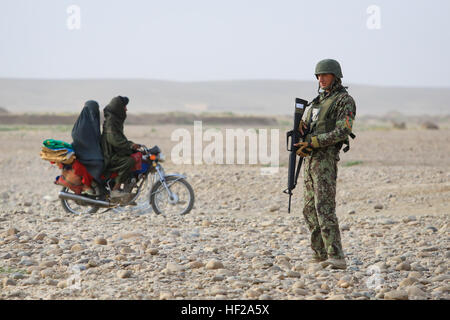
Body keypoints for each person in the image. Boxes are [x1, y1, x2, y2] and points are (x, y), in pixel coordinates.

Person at [294, 59, 356, 270]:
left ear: (335, 77)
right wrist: (302, 132)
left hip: (325, 161)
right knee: (309, 210)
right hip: (310, 160)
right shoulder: (315, 103)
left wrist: (315, 141)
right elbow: (310, 129)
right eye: (318, 76)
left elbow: (342, 131)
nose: (321, 79)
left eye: (325, 75)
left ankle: (336, 256)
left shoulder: (343, 101)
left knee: (324, 208)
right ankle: (320, 255)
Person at [101, 96, 141, 198]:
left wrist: (132, 145)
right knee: (129, 161)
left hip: (115, 152)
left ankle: (128, 184)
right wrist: (130, 145)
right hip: (109, 155)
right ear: (118, 108)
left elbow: (119, 138)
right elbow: (114, 140)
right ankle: (116, 190)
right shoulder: (111, 122)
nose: (126, 109)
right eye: (124, 107)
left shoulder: (115, 121)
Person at [71, 100, 104, 186]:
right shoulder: (88, 124)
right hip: (86, 156)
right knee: (101, 164)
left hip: (82, 153)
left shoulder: (80, 123)